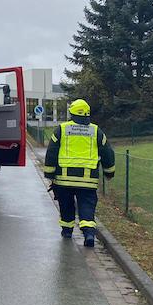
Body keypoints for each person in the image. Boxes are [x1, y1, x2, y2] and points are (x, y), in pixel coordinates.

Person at [43, 99, 115, 247]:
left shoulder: (61, 129)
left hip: (63, 180)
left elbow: (51, 152)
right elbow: (107, 152)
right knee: (87, 206)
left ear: (72, 113)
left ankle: (67, 230)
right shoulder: (96, 131)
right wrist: (109, 172)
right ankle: (89, 233)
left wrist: (50, 174)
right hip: (87, 180)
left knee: (66, 205)